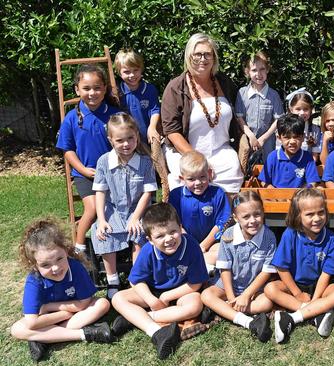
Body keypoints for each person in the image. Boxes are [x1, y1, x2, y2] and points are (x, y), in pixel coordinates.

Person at [110, 203, 209, 359]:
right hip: (153, 292)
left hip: (182, 291)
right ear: (149, 239)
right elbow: (136, 282)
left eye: (173, 232)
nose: (169, 239)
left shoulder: (192, 246)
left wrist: (167, 296)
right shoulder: (148, 251)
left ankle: (137, 318)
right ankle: (155, 331)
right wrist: (151, 299)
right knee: (118, 298)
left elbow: (195, 284)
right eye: (160, 236)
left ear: (181, 228)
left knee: (195, 305)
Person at [10, 219, 114, 362]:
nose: (55, 268)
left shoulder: (75, 267)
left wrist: (48, 307)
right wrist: (64, 313)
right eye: (45, 264)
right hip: (58, 317)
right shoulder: (34, 279)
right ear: (34, 265)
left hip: (70, 314)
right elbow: (32, 322)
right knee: (16, 329)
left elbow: (84, 304)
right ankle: (85, 334)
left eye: (59, 259)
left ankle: (44, 338)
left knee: (102, 304)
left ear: (66, 251)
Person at [161, 32, 243, 192]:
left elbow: (239, 114)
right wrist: (197, 159)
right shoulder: (176, 88)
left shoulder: (225, 83)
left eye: (207, 54)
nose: (203, 59)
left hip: (221, 151)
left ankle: (226, 216)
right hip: (184, 153)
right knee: (192, 178)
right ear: (189, 56)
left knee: (233, 170)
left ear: (214, 57)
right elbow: (171, 131)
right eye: (197, 54)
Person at [55, 64, 122, 257]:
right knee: (92, 209)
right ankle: (79, 246)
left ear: (105, 89)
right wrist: (83, 170)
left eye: (97, 88)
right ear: (77, 89)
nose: (92, 93)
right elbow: (68, 151)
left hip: (112, 173)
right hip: (86, 176)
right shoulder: (71, 118)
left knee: (116, 208)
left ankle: (118, 244)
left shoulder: (114, 115)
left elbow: (124, 143)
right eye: (86, 88)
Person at [264, 188, 334, 343]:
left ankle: (291, 317)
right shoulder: (290, 234)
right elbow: (281, 267)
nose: (317, 218)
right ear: (298, 216)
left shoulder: (331, 238)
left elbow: (326, 275)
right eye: (310, 214)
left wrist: (315, 300)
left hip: (319, 286)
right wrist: (297, 293)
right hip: (295, 285)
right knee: (270, 289)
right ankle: (316, 314)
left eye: (321, 212)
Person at [91, 113, 158, 299]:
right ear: (110, 140)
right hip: (113, 209)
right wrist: (102, 219)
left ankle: (135, 279)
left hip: (139, 208)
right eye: (120, 140)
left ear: (137, 135)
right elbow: (100, 192)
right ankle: (112, 279)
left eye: (130, 138)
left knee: (140, 232)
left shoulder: (145, 161)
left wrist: (136, 217)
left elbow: (147, 193)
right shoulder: (104, 161)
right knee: (102, 232)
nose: (126, 144)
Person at [200, 191, 276, 342]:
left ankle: (225, 309)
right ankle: (247, 321)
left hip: (254, 288)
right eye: (246, 217)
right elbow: (225, 269)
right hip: (228, 286)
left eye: (257, 214)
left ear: (263, 213)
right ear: (236, 218)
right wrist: (231, 297)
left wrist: (246, 295)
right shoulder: (228, 235)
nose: (253, 221)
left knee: (267, 303)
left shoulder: (269, 237)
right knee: (206, 295)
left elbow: (266, 272)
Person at [168, 151, 231, 271]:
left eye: (202, 177)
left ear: (209, 174)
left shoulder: (218, 193)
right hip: (184, 244)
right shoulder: (176, 195)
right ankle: (201, 269)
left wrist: (204, 245)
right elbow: (174, 223)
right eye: (191, 179)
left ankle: (203, 268)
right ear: (182, 179)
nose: (198, 183)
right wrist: (191, 245)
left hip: (211, 244)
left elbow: (223, 223)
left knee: (222, 251)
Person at [235, 51, 284, 161]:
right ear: (247, 72)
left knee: (268, 169)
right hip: (248, 141)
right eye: (254, 70)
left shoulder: (273, 95)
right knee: (247, 168)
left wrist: (263, 138)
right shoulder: (242, 93)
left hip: (268, 142)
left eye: (262, 69)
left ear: (267, 70)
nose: (258, 74)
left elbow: (278, 119)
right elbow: (239, 117)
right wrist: (251, 136)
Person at [114, 48, 161, 145]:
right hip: (127, 143)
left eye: (136, 70)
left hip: (147, 139)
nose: (132, 75)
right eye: (127, 72)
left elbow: (155, 110)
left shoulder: (149, 89)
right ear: (119, 72)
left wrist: (152, 127)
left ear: (141, 69)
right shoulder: (117, 92)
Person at [259, 114, 320, 188]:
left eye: (296, 137)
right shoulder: (273, 157)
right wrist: (275, 195)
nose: (292, 141)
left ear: (303, 137)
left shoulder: (307, 157)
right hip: (276, 198)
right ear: (279, 138)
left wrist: (300, 194)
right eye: (287, 137)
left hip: (299, 198)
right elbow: (264, 181)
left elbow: (312, 182)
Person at [283, 88, 322, 161]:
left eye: (306, 109)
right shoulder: (285, 128)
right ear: (291, 109)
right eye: (298, 109)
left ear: (311, 110)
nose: (302, 113)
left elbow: (314, 155)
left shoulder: (315, 130)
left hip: (307, 166)